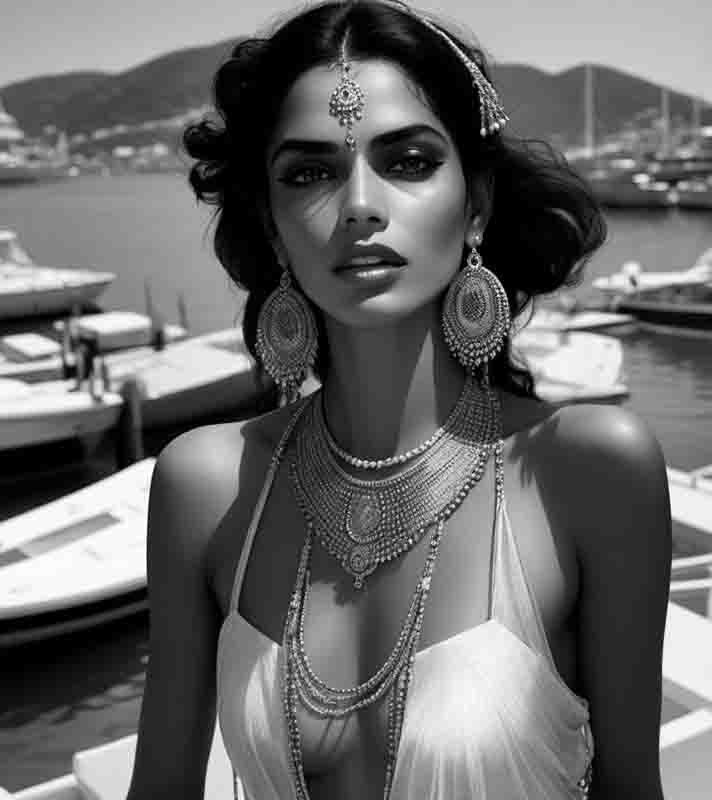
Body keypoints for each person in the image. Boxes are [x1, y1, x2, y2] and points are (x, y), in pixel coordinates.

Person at [127, 2, 671, 798]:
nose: (359, 203)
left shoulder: (586, 472)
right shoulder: (205, 486)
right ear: (272, 227)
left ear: (476, 200)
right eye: (309, 172)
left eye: (409, 161)